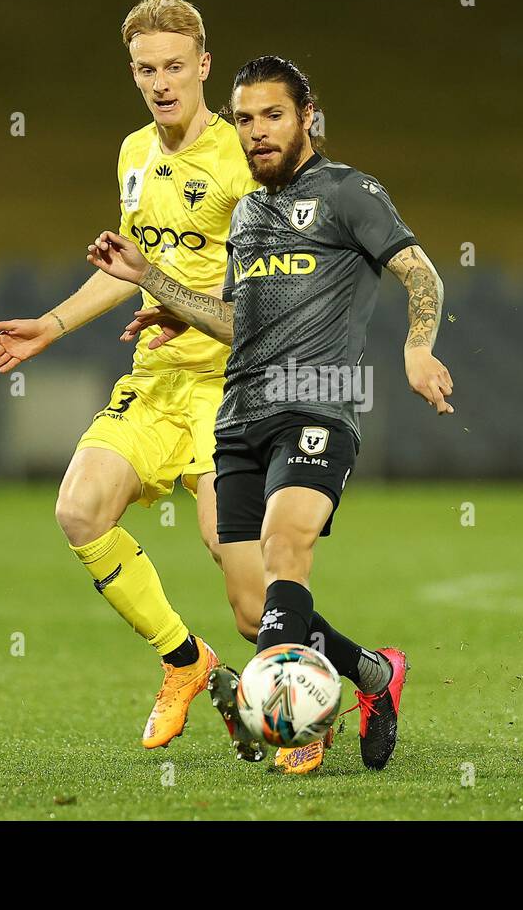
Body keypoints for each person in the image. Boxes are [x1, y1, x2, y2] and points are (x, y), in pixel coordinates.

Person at [87, 56, 454, 772]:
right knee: (256, 612)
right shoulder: (249, 213)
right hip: (240, 418)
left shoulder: (349, 192)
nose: (257, 132)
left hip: (317, 404)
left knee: (289, 545)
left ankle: (299, 721)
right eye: (246, 119)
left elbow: (421, 272)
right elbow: (237, 322)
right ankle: (375, 675)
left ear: (307, 116)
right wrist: (155, 283)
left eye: (273, 116)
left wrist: (417, 350)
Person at [0, 0, 257, 751]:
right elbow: (133, 267)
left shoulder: (241, 158)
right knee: (78, 509)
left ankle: (346, 679)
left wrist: (176, 302)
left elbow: (260, 290)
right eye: (144, 70)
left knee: (245, 588)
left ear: (203, 66)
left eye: (173, 66)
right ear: (132, 73)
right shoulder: (136, 152)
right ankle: (186, 661)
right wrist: (53, 325)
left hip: (230, 385)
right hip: (157, 381)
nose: (160, 82)